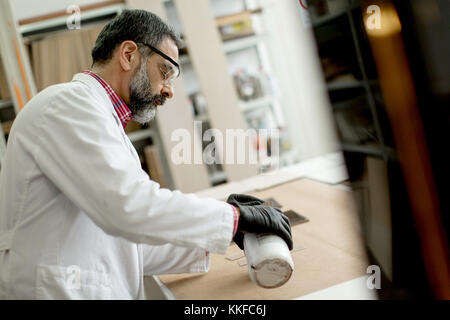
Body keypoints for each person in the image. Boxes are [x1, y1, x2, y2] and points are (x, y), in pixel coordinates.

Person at [0, 9, 292, 299]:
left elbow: (131, 245)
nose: (169, 91)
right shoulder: (67, 105)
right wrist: (233, 218)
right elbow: (130, 207)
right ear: (128, 54)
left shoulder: (102, 121)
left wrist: (225, 229)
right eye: (165, 71)